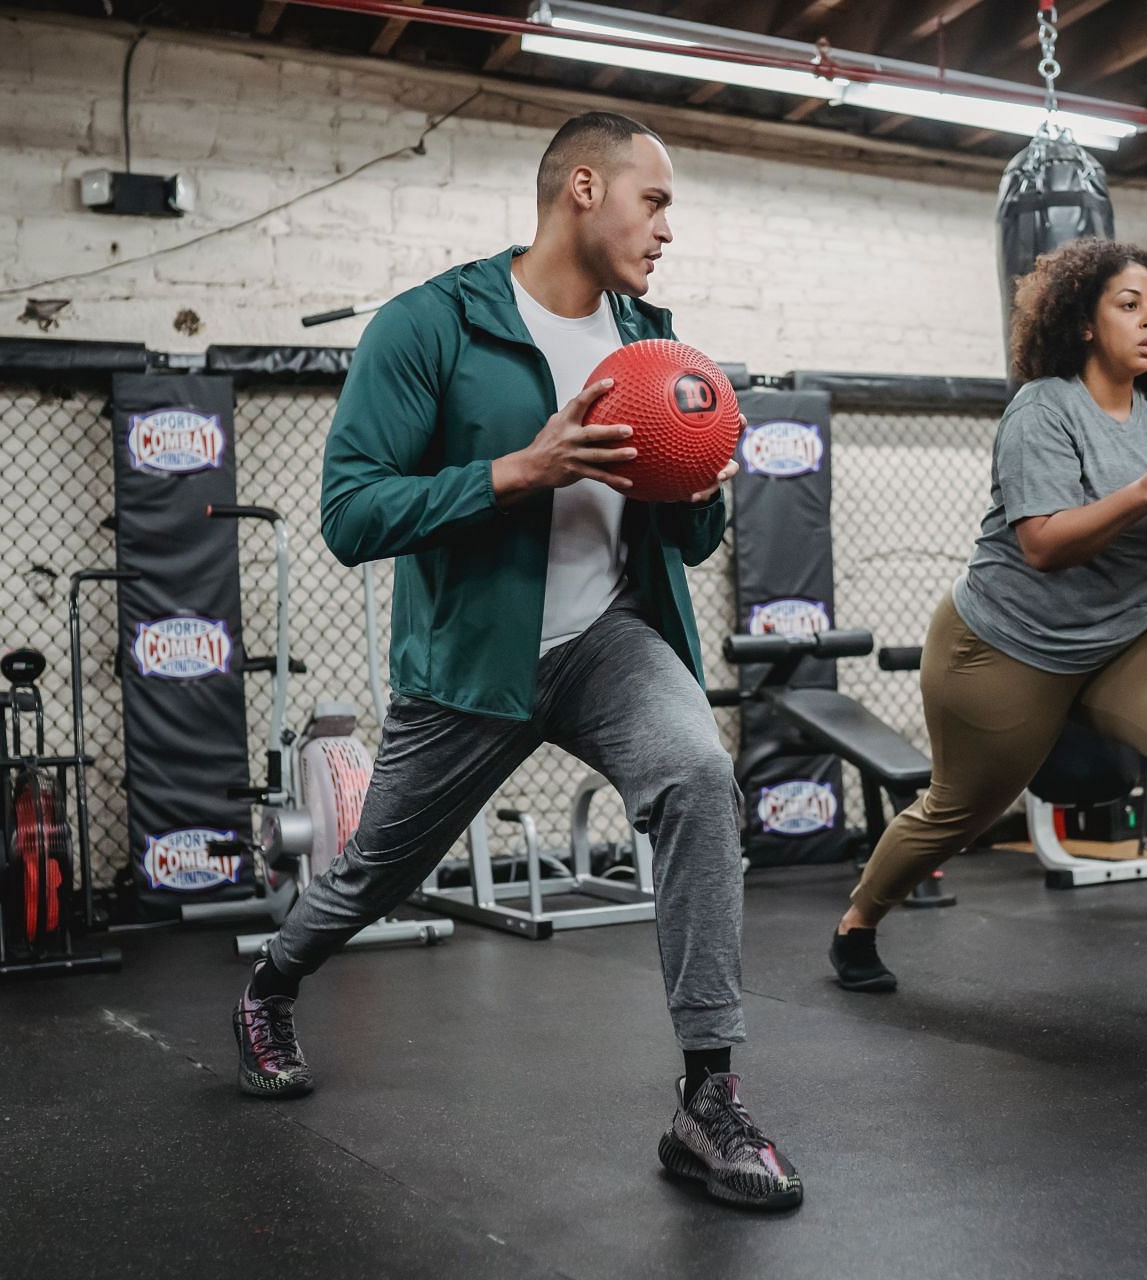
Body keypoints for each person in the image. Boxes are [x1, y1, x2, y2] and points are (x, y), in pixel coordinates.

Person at [231, 111, 803, 1210]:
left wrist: (697, 491)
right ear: (583, 188)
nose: (667, 227)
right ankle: (272, 979)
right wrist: (515, 471)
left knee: (697, 776)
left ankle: (707, 1096)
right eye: (657, 199)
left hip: (610, 640)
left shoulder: (655, 342)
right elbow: (351, 512)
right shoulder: (431, 324)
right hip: (474, 657)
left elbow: (685, 538)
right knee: (377, 870)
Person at [828, 237, 1147, 1047]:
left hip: (1127, 635)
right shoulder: (1041, 409)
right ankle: (858, 922)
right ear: (1083, 322)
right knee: (959, 809)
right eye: (1128, 305)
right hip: (1005, 644)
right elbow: (1045, 546)